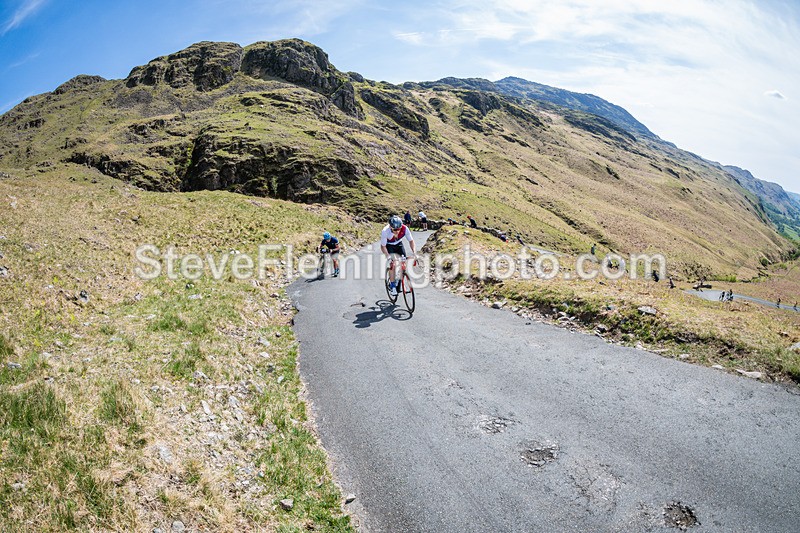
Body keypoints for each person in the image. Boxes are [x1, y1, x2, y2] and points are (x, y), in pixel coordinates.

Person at [381, 215, 416, 297]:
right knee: (393, 264)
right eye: (394, 230)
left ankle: (400, 281)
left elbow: (411, 241)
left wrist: (414, 253)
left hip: (399, 244)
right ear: (390, 227)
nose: (397, 231)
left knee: (403, 262)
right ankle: (393, 286)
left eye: (398, 229)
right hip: (389, 246)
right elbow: (383, 246)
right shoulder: (385, 231)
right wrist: (388, 257)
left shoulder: (405, 228)